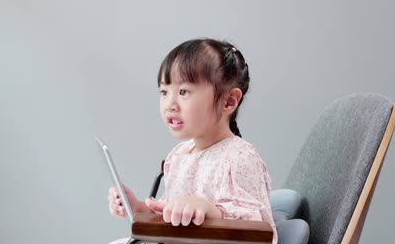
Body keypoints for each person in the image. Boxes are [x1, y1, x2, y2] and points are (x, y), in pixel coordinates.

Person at [107, 38, 277, 244]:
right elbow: (169, 217)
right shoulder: (179, 155)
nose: (170, 104)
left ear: (229, 101)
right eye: (164, 92)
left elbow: (258, 229)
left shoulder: (238, 157)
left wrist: (208, 210)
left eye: (184, 92)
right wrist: (138, 208)